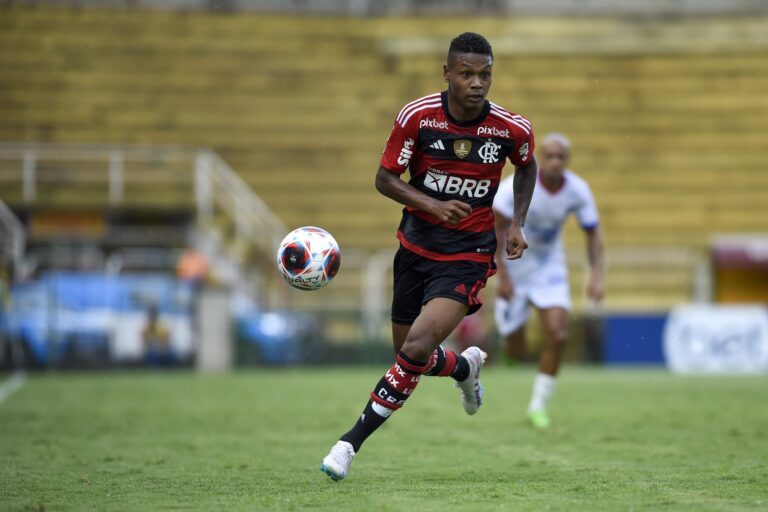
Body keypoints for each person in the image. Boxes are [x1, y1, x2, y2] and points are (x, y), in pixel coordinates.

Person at [320, 32, 537, 481]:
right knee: (407, 353)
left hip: (468, 256)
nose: (477, 83)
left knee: (416, 348)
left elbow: (527, 163)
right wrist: (433, 205)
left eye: (485, 74)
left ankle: (349, 443)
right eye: (467, 74)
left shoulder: (510, 128)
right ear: (447, 74)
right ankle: (465, 366)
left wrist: (517, 222)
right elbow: (384, 178)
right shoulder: (418, 118)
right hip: (415, 248)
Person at [493, 132, 604, 429]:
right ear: (540, 158)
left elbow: (593, 233)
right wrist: (500, 275)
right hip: (514, 263)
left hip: (548, 266)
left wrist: (596, 275)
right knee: (515, 347)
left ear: (568, 160)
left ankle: (537, 406)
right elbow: (495, 228)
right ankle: (511, 348)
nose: (555, 162)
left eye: (561, 157)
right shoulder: (513, 188)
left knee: (559, 334)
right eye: (549, 156)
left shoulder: (578, 190)